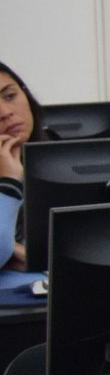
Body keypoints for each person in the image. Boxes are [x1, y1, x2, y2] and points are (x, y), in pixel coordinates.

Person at [0, 61, 51, 269]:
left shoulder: (58, 161)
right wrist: (8, 183)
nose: (5, 112)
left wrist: (20, 253)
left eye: (10, 96)